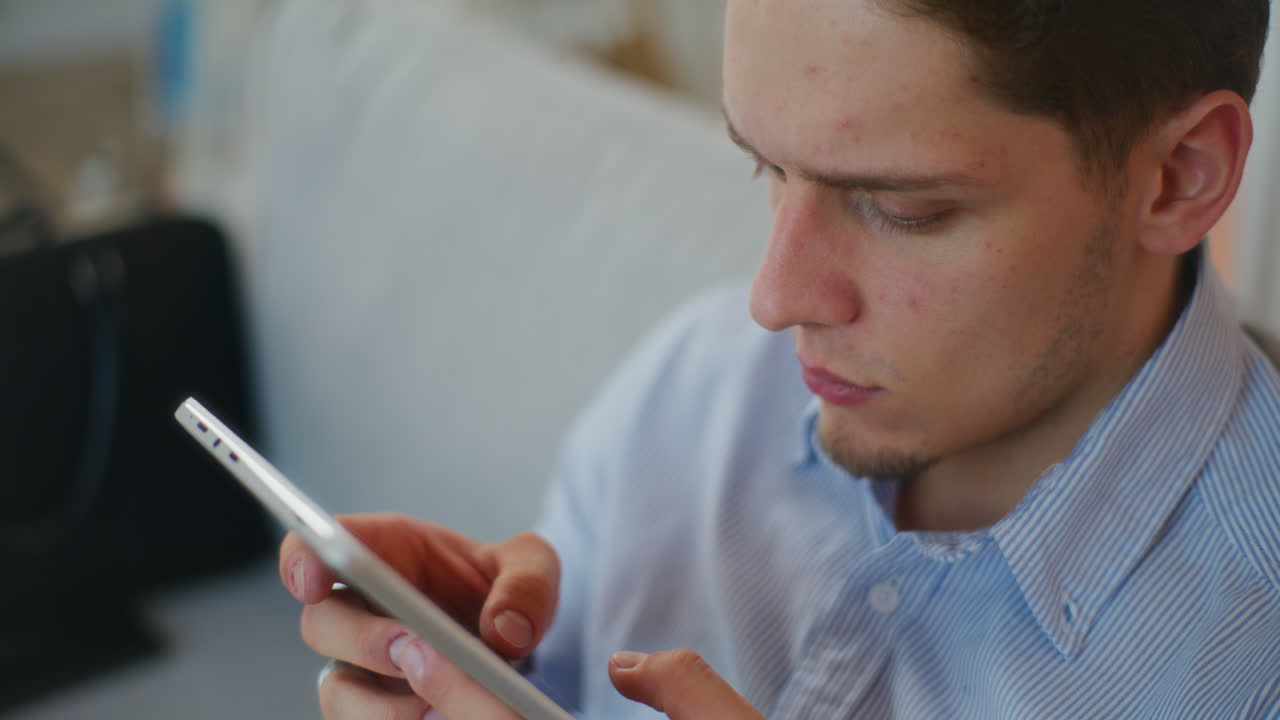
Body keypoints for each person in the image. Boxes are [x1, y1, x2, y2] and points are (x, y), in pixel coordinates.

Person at [278, 0, 1280, 717]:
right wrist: (488, 665)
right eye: (765, 166)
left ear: (1176, 178)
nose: (772, 300)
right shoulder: (690, 388)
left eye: (901, 208)